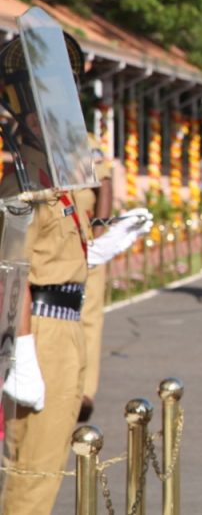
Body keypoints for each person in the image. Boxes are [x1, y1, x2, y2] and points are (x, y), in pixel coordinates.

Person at [0, 32, 91, 514]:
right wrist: (23, 353)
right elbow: (10, 275)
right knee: (30, 475)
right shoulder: (20, 181)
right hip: (39, 329)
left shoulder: (60, 174)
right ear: (27, 115)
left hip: (68, 327)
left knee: (50, 468)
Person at [77, 131, 113, 422]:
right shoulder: (23, 136)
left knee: (87, 316)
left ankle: (84, 392)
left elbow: (104, 184)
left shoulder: (83, 141)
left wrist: (99, 235)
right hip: (44, 242)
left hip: (83, 238)